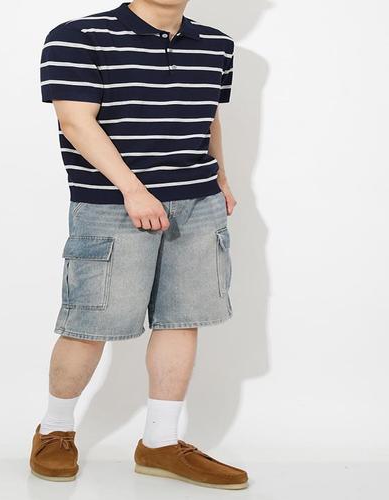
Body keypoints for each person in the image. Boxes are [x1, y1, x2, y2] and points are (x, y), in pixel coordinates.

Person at [29, 0, 248, 490]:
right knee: (91, 324)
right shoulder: (78, 36)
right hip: (112, 204)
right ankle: (55, 430)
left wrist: (222, 178)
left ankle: (160, 443)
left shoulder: (215, 44)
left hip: (198, 202)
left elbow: (207, 116)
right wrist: (133, 190)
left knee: (182, 318)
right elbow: (76, 122)